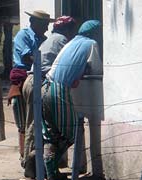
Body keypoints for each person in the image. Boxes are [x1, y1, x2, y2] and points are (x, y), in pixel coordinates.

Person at [41, 20, 105, 180]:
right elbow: (97, 68)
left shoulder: (71, 42)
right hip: (59, 89)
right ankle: (51, 163)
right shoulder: (91, 43)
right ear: (95, 32)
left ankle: (50, 173)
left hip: (45, 87)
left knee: (52, 133)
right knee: (70, 133)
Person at [22, 16, 77, 179]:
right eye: (72, 30)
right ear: (67, 29)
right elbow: (66, 61)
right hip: (38, 82)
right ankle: (31, 166)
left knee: (39, 126)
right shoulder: (62, 40)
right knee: (36, 126)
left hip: (33, 81)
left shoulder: (52, 38)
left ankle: (39, 166)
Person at [7, 10, 54, 179]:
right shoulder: (23, 35)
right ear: (34, 22)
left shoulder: (45, 40)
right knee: (27, 122)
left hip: (39, 78)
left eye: (48, 24)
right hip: (24, 78)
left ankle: (39, 161)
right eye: (44, 24)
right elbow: (27, 57)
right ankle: (26, 159)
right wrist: (45, 63)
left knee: (41, 121)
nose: (47, 27)